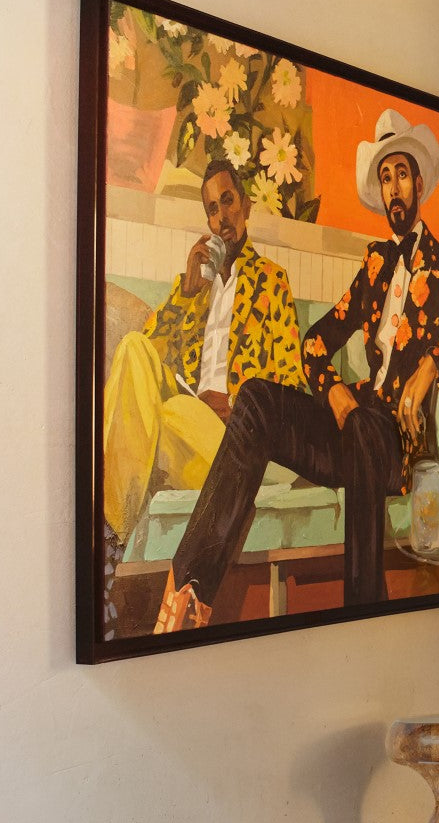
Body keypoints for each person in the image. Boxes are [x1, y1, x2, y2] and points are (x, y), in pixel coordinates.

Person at [153, 110, 439, 632]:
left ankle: (363, 611)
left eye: (402, 174)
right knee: (257, 401)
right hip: (352, 421)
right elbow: (316, 341)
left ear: (419, 182)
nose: (394, 188)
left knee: (362, 424)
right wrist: (333, 388)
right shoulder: (376, 266)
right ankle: (188, 595)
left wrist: (433, 364)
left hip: (397, 444)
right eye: (386, 178)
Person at [102, 158, 306, 629]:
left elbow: (292, 388)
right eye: (212, 209)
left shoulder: (272, 282)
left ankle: (103, 561)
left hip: (236, 443)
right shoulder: (194, 289)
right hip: (185, 432)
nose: (222, 217)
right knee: (133, 346)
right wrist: (187, 294)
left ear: (246, 205)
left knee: (172, 410)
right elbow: (143, 365)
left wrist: (237, 410)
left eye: (228, 202)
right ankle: (107, 552)